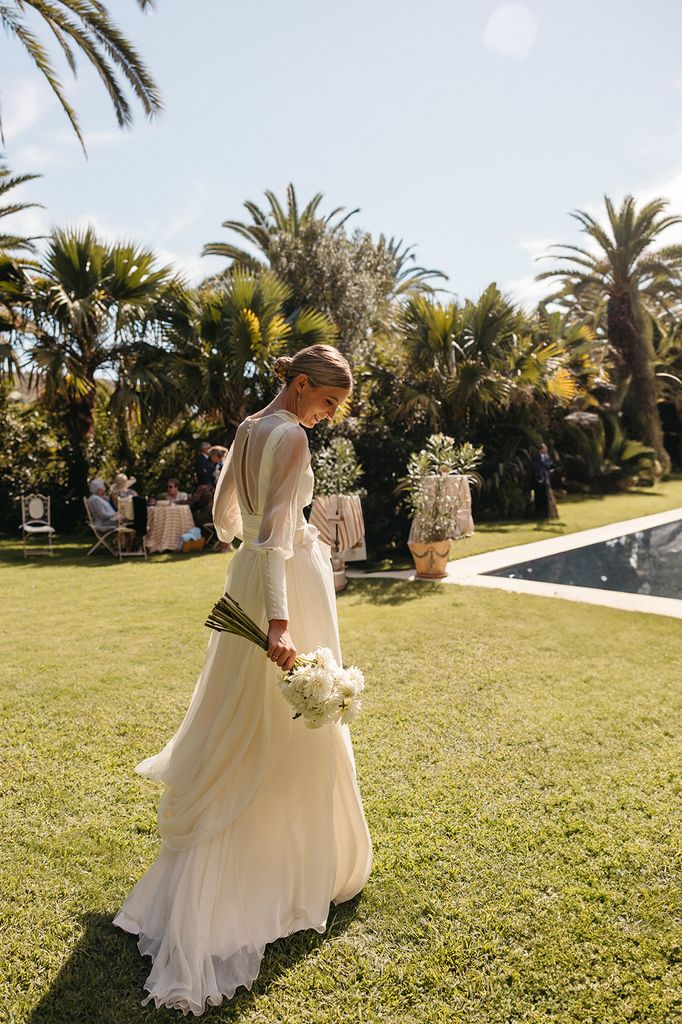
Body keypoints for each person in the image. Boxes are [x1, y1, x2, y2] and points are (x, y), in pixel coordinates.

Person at [114, 345, 372, 1014]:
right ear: (303, 384)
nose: (328, 416)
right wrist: (281, 623)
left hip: (246, 586)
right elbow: (275, 541)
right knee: (287, 729)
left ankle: (252, 863)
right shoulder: (289, 438)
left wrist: (265, 547)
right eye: (327, 402)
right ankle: (283, 875)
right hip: (284, 592)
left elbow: (230, 523)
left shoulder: (247, 429)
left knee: (244, 727)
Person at [532, 443, 559, 520]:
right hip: (539, 481)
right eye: (544, 448)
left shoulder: (547, 457)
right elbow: (537, 469)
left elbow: (549, 466)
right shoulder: (536, 458)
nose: (546, 450)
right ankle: (539, 514)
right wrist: (539, 478)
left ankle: (547, 514)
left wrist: (552, 469)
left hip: (546, 481)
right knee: (539, 498)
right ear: (541, 449)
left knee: (547, 498)